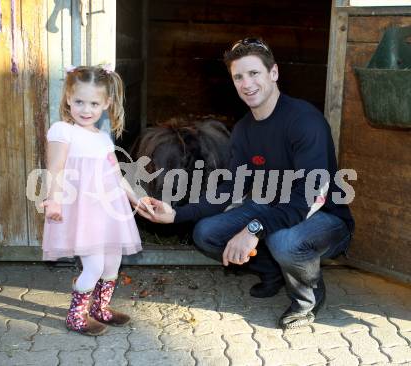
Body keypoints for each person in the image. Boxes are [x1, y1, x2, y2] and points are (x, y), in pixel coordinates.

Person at [137, 38, 355, 330]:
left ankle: (308, 299)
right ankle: (274, 271)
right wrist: (176, 214)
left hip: (324, 216)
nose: (246, 83)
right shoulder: (243, 130)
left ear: (273, 73)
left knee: (284, 241)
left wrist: (254, 228)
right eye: (238, 76)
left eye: (254, 73)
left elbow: (307, 199)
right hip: (272, 208)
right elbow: (230, 188)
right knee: (206, 233)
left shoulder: (305, 121)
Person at [42, 65, 145, 336]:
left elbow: (115, 175)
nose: (85, 110)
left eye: (93, 103)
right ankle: (76, 316)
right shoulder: (62, 130)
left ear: (106, 103)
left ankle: (100, 308)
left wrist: (136, 198)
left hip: (107, 211)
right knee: (95, 265)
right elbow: (55, 168)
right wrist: (52, 200)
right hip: (82, 211)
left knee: (112, 263)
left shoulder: (102, 138)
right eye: (79, 102)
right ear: (67, 98)